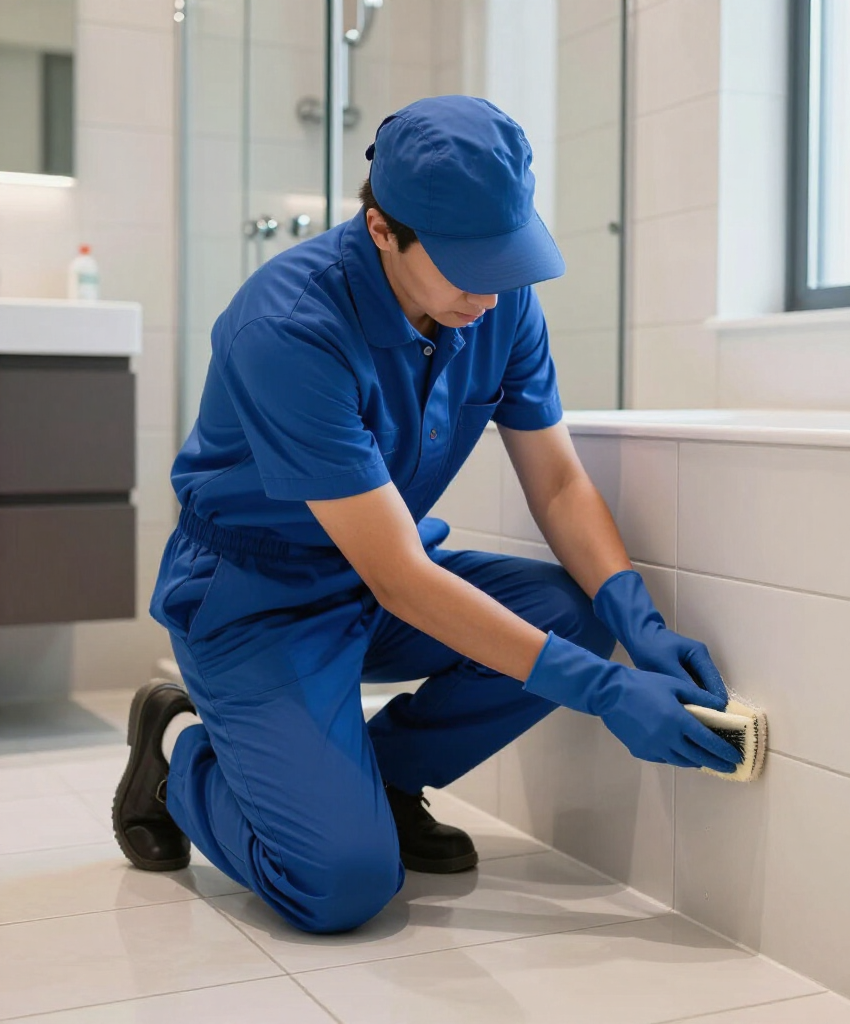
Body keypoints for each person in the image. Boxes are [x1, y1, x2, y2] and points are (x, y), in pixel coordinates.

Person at [112, 95, 741, 935]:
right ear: (382, 230)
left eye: (505, 260)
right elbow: (402, 578)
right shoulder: (290, 329)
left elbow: (555, 481)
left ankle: (379, 778)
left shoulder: (498, 300)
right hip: (256, 603)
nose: (487, 294)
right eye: (463, 264)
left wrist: (638, 619)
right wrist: (606, 693)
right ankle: (179, 756)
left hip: (377, 580)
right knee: (340, 885)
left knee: (573, 613)